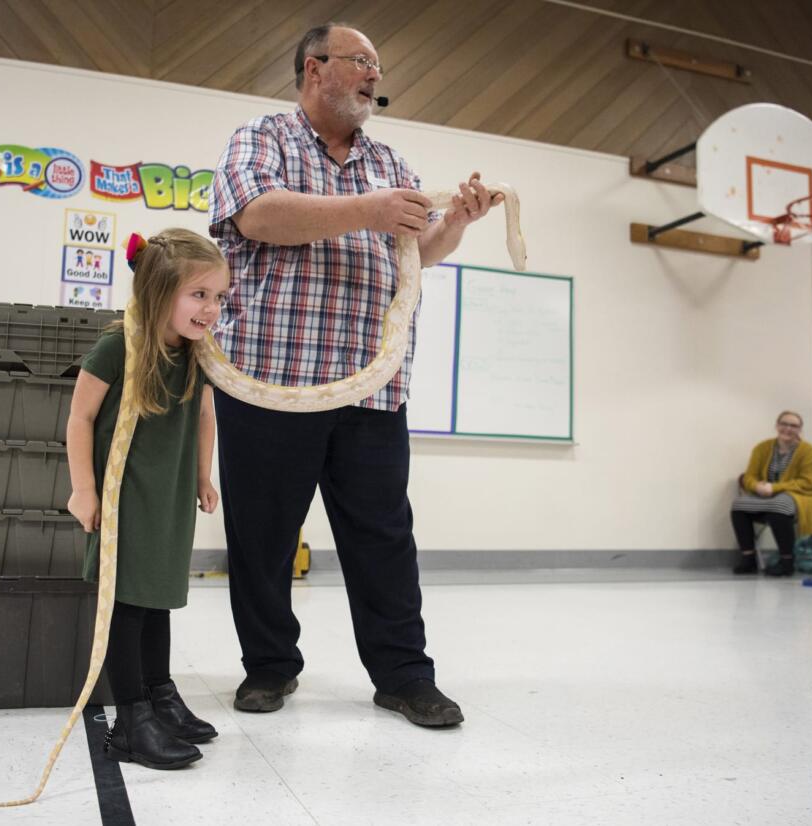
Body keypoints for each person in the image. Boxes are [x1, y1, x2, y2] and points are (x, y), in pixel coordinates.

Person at [207, 23, 500, 728]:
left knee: (382, 537)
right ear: (315, 69)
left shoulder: (389, 159)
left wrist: (454, 222)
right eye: (361, 62)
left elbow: (415, 254)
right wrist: (369, 209)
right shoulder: (262, 139)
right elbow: (257, 217)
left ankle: (404, 674)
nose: (374, 75)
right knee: (263, 535)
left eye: (378, 66)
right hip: (271, 380)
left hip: (372, 387)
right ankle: (270, 668)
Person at [67, 228, 229, 770]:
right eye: (199, 295)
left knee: (157, 599)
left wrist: (203, 477)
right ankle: (131, 721)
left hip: (170, 493)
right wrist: (84, 490)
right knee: (127, 608)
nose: (211, 309)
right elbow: (80, 418)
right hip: (126, 495)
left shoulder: (198, 355)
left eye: (219, 297)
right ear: (160, 291)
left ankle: (160, 697)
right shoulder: (118, 348)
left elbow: (205, 416)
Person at [731, 410, 812, 577]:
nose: (788, 429)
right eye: (784, 424)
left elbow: (808, 482)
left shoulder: (809, 451)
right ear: (777, 426)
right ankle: (748, 557)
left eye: (793, 426)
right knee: (738, 505)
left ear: (800, 429)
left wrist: (775, 488)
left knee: (779, 505)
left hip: (802, 496)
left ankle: (786, 560)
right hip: (766, 494)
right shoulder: (762, 448)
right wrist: (757, 486)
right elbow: (749, 476)